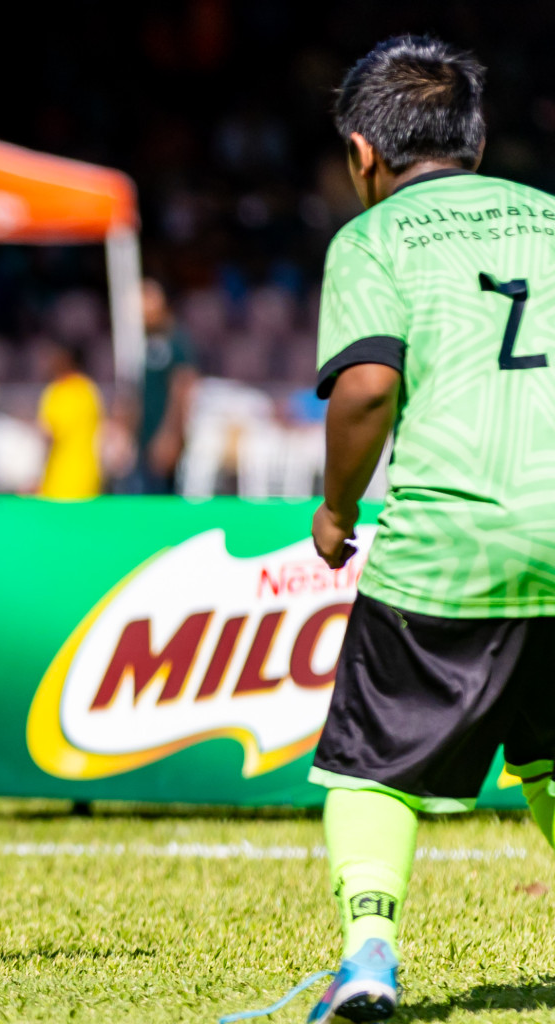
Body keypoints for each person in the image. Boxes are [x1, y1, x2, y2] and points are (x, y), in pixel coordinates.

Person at [301, 36, 555, 1023]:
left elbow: (366, 386)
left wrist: (335, 508)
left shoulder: (373, 240)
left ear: (363, 155)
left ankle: (368, 953)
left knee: (369, 766)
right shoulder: (549, 220)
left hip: (450, 547)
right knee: (547, 752)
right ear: (478, 140)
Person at [132, 278, 198, 493]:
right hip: (144, 435)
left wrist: (170, 435)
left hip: (165, 435)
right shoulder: (141, 341)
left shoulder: (176, 341)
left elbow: (183, 388)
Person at [36, 342, 101, 499]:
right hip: (90, 476)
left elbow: (47, 435)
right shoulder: (90, 390)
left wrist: (36, 476)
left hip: (60, 479)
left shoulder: (57, 393)